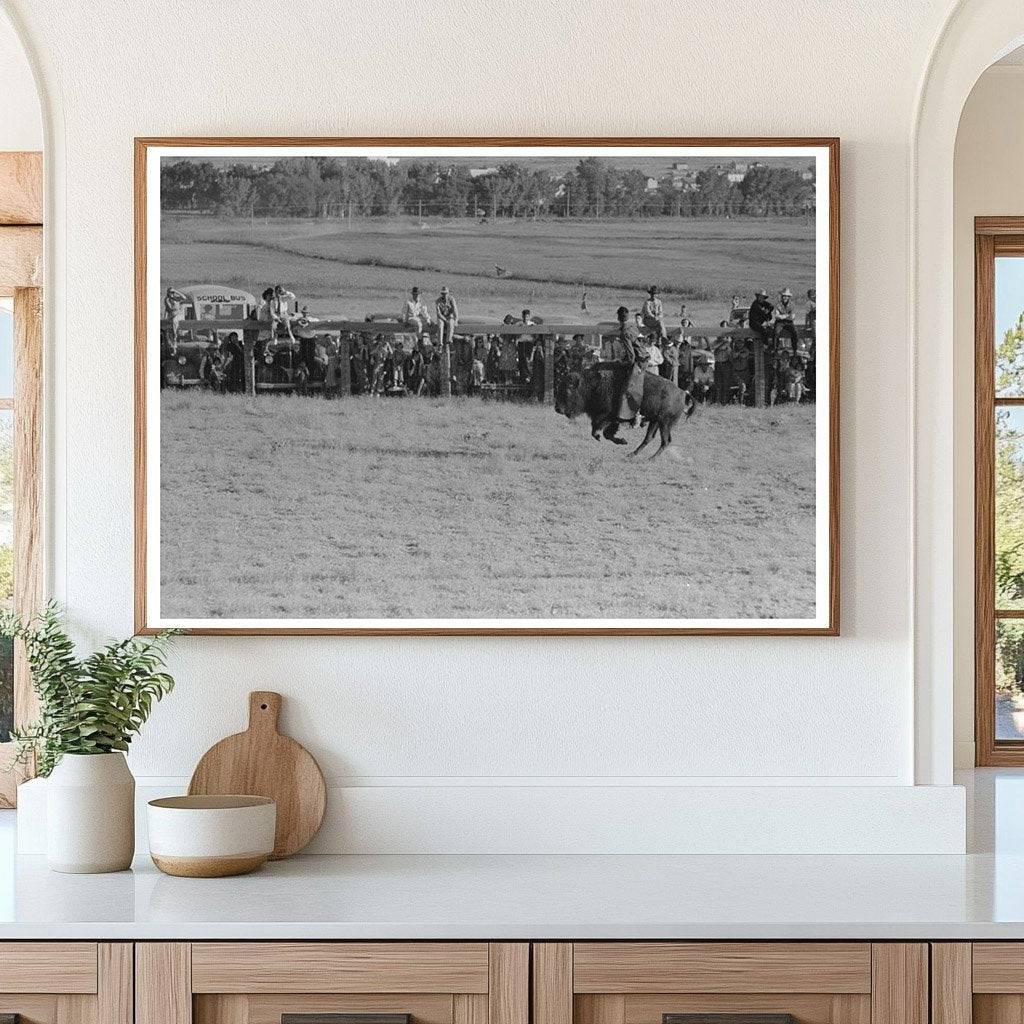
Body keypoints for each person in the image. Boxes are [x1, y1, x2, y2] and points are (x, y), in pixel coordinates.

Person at [612, 304, 648, 421]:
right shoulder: (633, 326)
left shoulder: (624, 332)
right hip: (644, 357)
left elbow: (631, 356)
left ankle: (635, 415)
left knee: (628, 388)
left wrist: (622, 363)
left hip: (639, 360)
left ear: (618, 318)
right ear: (627, 316)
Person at [774, 287, 799, 352]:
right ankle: (775, 350)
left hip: (789, 322)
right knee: (776, 332)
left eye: (786, 296)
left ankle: (795, 350)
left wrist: (782, 316)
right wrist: (787, 315)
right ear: (782, 297)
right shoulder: (778, 304)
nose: (785, 297)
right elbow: (776, 316)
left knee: (795, 332)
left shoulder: (792, 305)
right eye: (784, 296)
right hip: (779, 322)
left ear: (789, 297)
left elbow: (792, 317)